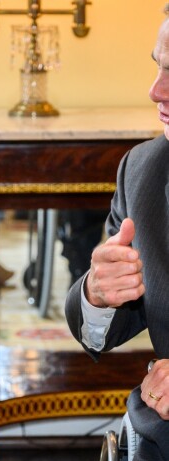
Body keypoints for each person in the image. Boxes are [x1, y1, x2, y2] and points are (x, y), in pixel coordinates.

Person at [65, 13, 169, 424]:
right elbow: (100, 332)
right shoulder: (142, 170)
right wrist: (97, 292)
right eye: (158, 66)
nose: (155, 91)